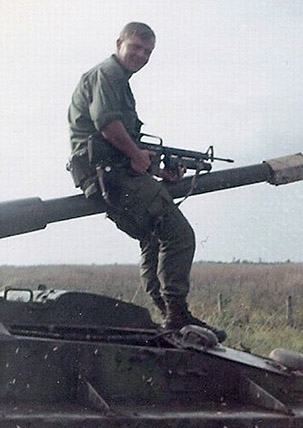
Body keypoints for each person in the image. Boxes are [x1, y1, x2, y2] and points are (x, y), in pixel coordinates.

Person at [67, 22, 226, 341]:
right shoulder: (108, 74)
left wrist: (157, 171)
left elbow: (124, 145)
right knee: (179, 235)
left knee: (155, 237)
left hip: (110, 171)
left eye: (147, 51)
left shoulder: (119, 80)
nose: (141, 55)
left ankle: (169, 313)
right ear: (118, 44)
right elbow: (108, 124)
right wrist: (138, 157)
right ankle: (176, 315)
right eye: (135, 47)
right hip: (108, 173)